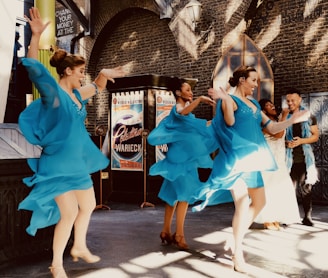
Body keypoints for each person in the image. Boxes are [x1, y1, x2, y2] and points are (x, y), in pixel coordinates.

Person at [18, 7, 125, 278]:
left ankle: (78, 246)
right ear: (66, 72)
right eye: (79, 72)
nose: (82, 77)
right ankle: (57, 264)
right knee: (69, 213)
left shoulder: (78, 96)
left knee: (88, 206)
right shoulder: (54, 95)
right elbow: (34, 70)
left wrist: (105, 71)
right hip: (57, 164)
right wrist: (36, 36)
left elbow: (98, 84)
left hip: (76, 163)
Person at [192, 66, 309, 273]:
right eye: (253, 80)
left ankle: (236, 236)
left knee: (261, 202)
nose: (256, 85)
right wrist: (225, 99)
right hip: (236, 161)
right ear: (242, 80)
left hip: (253, 161)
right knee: (243, 204)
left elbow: (272, 128)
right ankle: (238, 253)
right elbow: (229, 121)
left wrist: (291, 120)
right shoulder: (232, 101)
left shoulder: (255, 104)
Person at [147, 81, 217, 250]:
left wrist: (217, 121)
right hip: (180, 162)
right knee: (184, 196)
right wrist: (200, 99)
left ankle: (165, 230)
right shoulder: (177, 109)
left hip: (182, 159)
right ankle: (179, 235)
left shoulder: (187, 116)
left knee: (173, 196)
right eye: (187, 89)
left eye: (191, 90)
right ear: (178, 92)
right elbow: (183, 112)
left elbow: (199, 127)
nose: (191, 92)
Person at [254, 99, 301, 230]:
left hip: (280, 160)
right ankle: (267, 219)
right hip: (267, 161)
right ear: (263, 111)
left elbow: (280, 138)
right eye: (268, 106)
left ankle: (275, 218)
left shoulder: (276, 122)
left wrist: (287, 144)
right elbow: (278, 133)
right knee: (269, 189)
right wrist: (285, 116)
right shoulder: (263, 123)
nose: (273, 106)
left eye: (272, 104)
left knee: (280, 189)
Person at [285, 87, 319, 226]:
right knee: (288, 190)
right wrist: (286, 142)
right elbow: (278, 134)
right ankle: (288, 217)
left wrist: (301, 141)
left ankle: (307, 217)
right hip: (288, 159)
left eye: (293, 100)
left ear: (300, 99)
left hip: (305, 159)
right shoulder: (285, 115)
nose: (290, 103)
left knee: (306, 189)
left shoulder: (309, 116)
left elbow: (315, 136)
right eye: (288, 100)